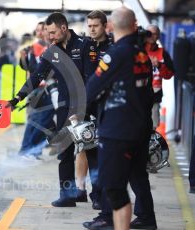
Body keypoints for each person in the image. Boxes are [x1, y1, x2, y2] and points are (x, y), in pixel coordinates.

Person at [86, 7, 157, 230]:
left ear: (110, 26)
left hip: (118, 130)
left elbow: (91, 89)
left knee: (113, 187)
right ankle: (147, 219)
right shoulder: (142, 54)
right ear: (134, 25)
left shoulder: (116, 54)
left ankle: (112, 221)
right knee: (137, 176)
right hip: (141, 127)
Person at [7, 12, 87, 207]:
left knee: (91, 153)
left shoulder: (85, 46)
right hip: (64, 109)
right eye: (47, 33)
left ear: (63, 28)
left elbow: (94, 78)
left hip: (86, 107)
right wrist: (17, 97)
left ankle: (99, 198)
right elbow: (36, 76)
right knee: (64, 153)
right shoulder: (52, 51)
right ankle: (67, 196)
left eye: (52, 32)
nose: (49, 37)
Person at [75, 10, 113, 214]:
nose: (91, 29)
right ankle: (88, 192)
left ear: (105, 26)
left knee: (103, 152)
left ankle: (100, 194)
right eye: (89, 25)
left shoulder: (113, 47)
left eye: (95, 26)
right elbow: (77, 75)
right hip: (86, 106)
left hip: (107, 107)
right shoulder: (84, 46)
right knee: (86, 149)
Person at [17, 22, 55, 159]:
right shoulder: (32, 48)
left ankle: (32, 150)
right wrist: (23, 57)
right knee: (37, 120)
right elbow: (29, 68)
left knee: (43, 121)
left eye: (43, 29)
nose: (40, 32)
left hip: (49, 89)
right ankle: (28, 150)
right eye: (38, 30)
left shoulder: (51, 46)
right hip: (37, 90)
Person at [145, 24, 174, 130]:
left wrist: (159, 65)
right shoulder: (137, 50)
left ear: (158, 36)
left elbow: (169, 74)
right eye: (149, 33)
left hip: (154, 96)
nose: (152, 36)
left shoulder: (163, 53)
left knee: (152, 128)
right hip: (137, 95)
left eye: (155, 34)